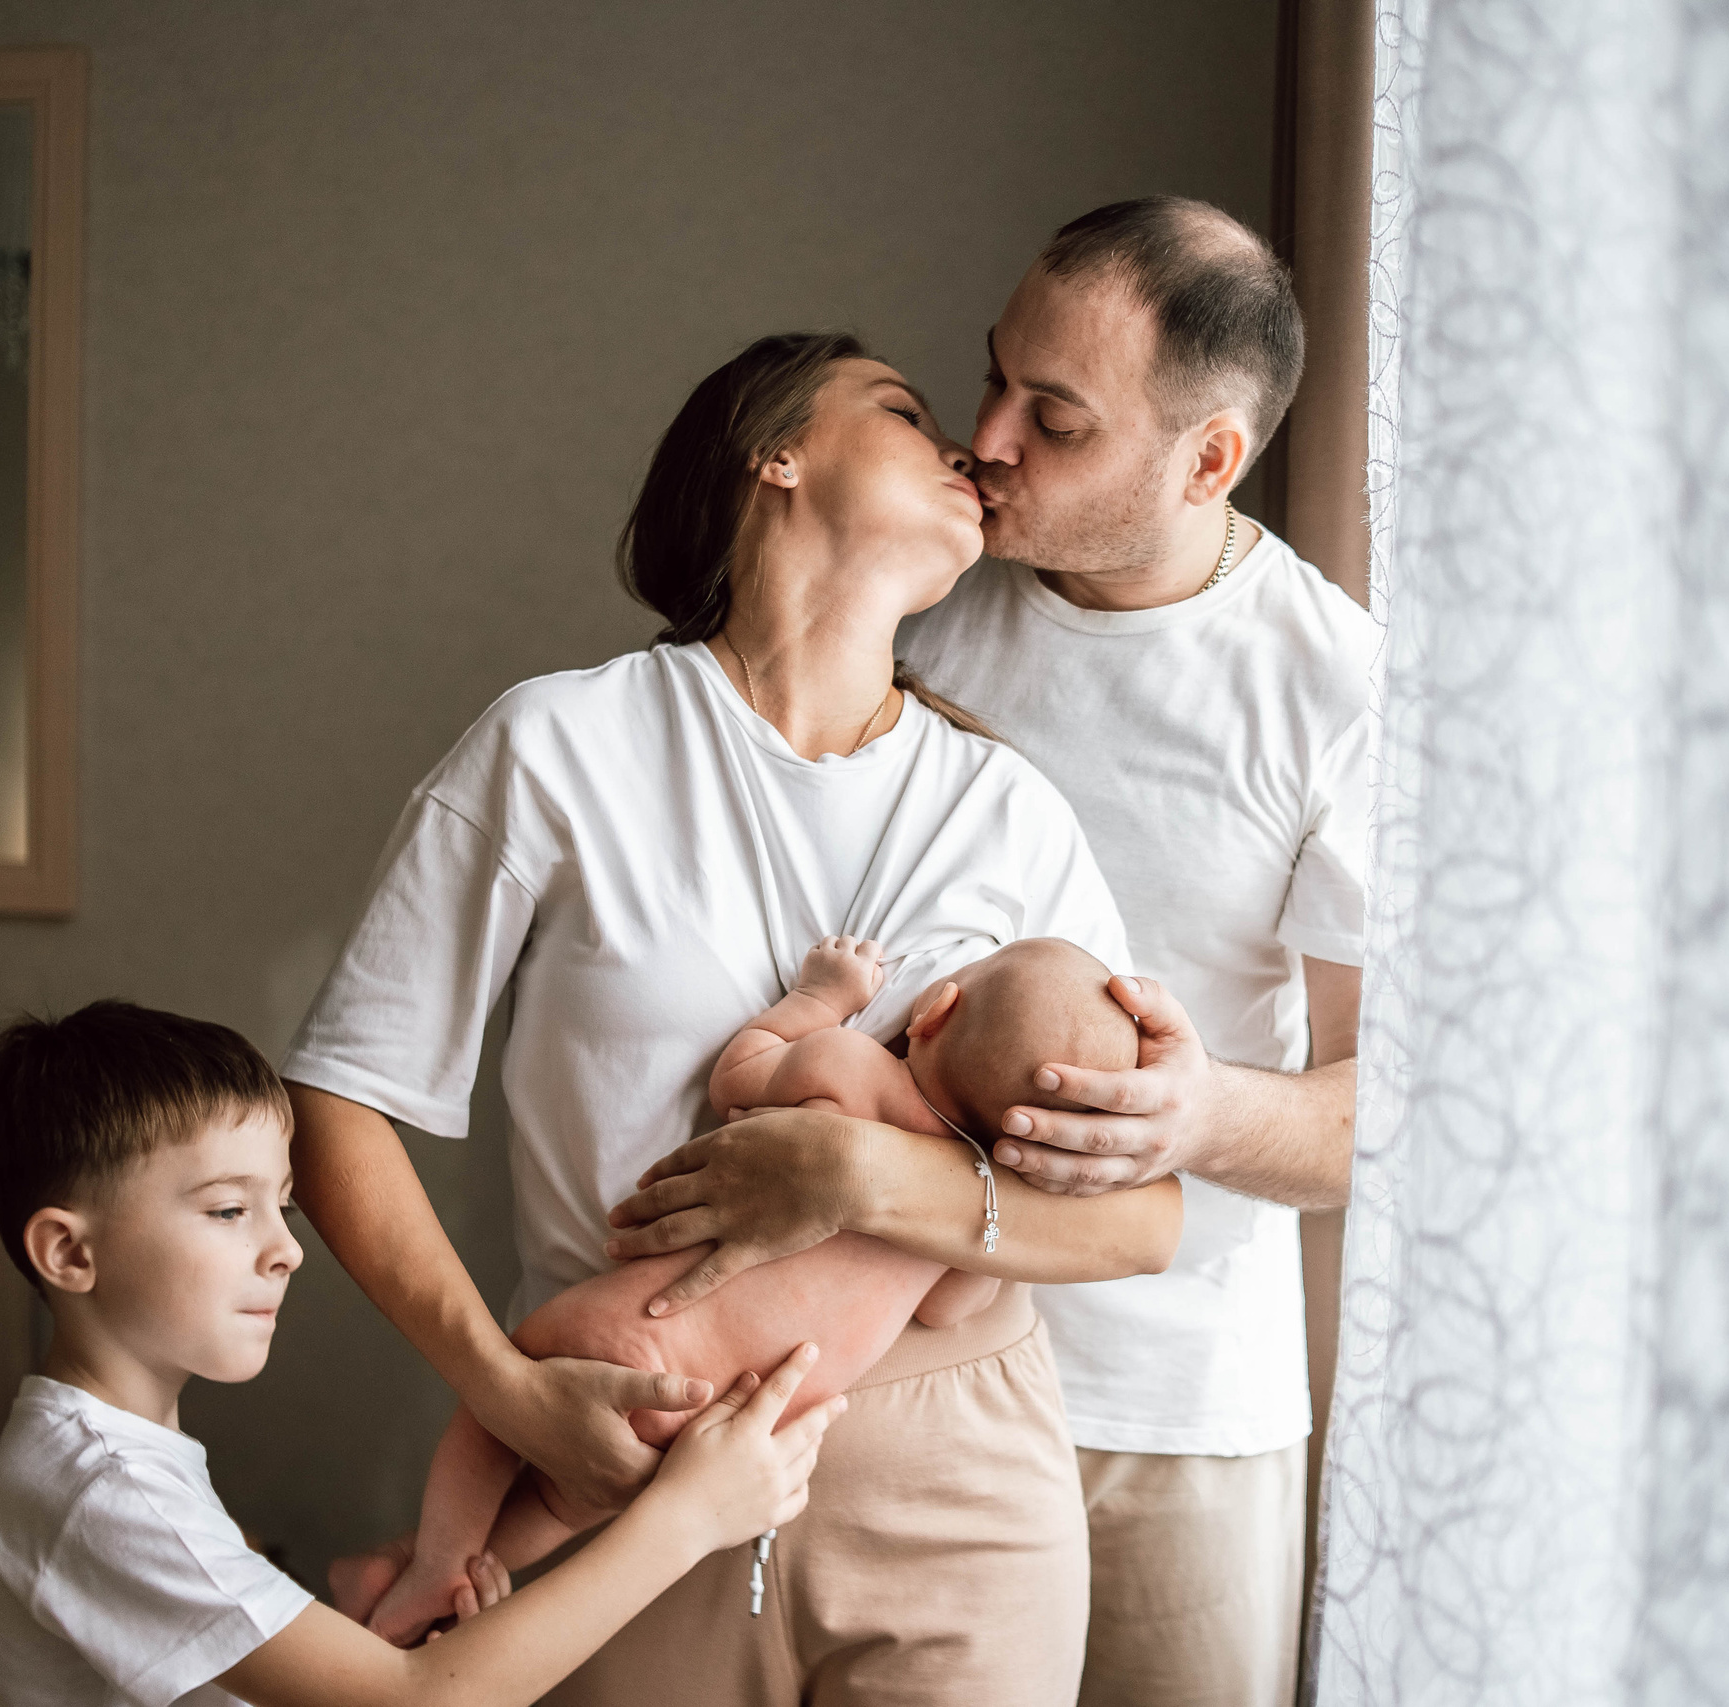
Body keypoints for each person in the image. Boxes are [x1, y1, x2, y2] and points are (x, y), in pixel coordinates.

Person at [283, 331, 1181, 1704]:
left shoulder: (1010, 809)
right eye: (904, 411)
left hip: (962, 1475)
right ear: (777, 455)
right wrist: (516, 1396)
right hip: (632, 1451)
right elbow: (340, 1096)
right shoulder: (558, 747)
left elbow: (1140, 1213)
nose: (964, 447)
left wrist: (868, 1170)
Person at [605, 199, 1372, 1707]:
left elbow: (1399, 1106)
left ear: (1207, 459)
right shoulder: (927, 602)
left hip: (1167, 1414)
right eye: (993, 379)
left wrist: (1202, 1112)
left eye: (1056, 418)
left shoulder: (1334, 691)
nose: (988, 438)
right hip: (861, 1358)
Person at [0, 999, 841, 1707]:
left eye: (285, 1208)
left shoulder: (106, 1456)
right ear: (70, 1253)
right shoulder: (103, 1488)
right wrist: (690, 1516)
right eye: (231, 1210)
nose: (287, 1249)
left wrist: (356, 1640)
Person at [351, 933, 1141, 1645]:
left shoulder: (856, 1073)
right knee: (569, 1502)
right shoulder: (966, 1207)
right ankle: (463, 1581)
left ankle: (434, 1562)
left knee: (503, 1404)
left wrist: (821, 1000)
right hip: (728, 1419)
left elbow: (740, 1079)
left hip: (638, 1335)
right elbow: (947, 1310)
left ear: (935, 1010)